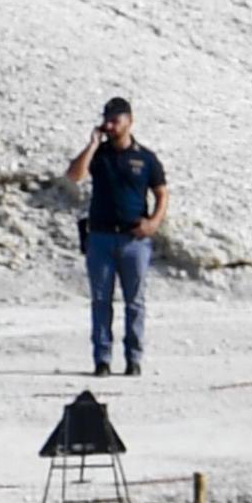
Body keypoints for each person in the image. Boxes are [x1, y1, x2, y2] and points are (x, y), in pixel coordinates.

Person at [61, 97, 168, 377]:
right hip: (101, 238)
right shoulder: (99, 155)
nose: (109, 126)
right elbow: (74, 175)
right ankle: (102, 359)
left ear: (129, 121)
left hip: (134, 240)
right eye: (106, 120)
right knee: (100, 300)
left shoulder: (145, 158)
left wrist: (154, 222)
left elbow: (161, 193)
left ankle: (134, 358)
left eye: (115, 121)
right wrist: (92, 145)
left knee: (135, 302)